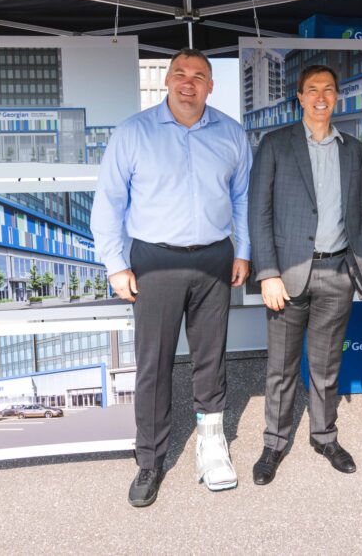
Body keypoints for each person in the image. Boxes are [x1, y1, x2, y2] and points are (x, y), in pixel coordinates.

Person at [90, 48, 251, 508]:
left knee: (211, 359)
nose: (188, 82)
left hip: (215, 260)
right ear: (166, 80)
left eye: (199, 76)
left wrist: (243, 251)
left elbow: (241, 198)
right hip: (153, 261)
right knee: (154, 364)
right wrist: (116, 265)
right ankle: (150, 459)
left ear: (211, 86)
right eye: (180, 74)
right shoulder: (133, 133)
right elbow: (108, 204)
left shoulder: (231, 133)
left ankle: (212, 446)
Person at [247, 64, 362, 485]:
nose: (321, 96)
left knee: (326, 364)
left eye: (328, 89)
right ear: (299, 98)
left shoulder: (354, 150)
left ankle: (324, 436)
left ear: (337, 97)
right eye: (312, 90)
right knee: (281, 367)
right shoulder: (276, 144)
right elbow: (258, 212)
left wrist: (360, 266)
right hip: (287, 276)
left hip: (337, 271)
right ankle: (274, 443)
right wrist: (267, 273)